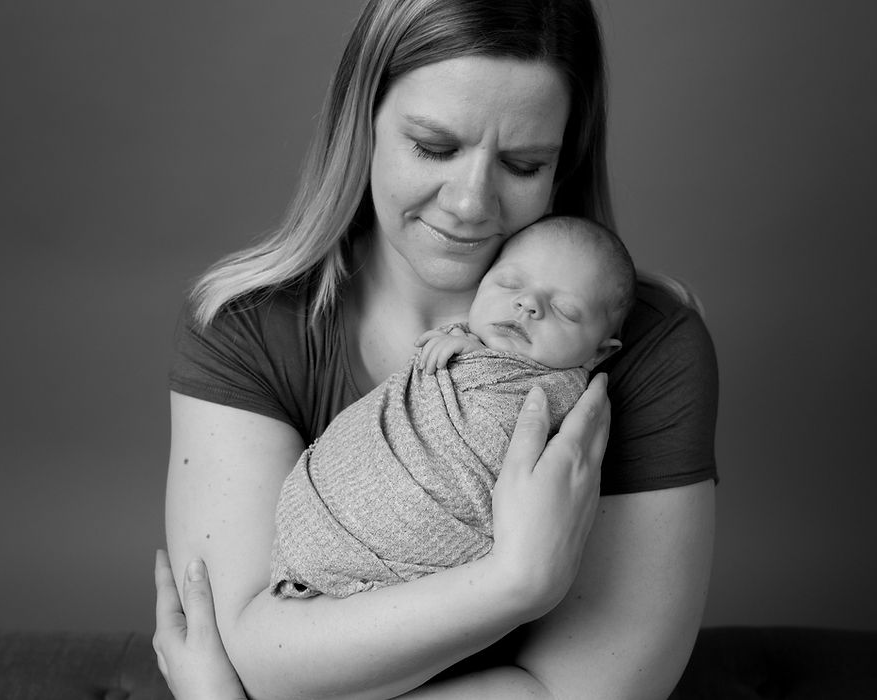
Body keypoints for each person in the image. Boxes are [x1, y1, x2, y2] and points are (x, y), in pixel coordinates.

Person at [155, 0, 718, 698]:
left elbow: (582, 695)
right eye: (434, 146)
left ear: (562, 160)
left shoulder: (647, 348)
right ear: (360, 126)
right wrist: (512, 582)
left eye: (522, 163)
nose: (471, 203)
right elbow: (263, 656)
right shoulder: (243, 328)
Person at [271, 216, 634, 599]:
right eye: (509, 283)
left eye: (565, 310)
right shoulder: (459, 340)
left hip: (427, 539)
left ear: (598, 352)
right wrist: (460, 349)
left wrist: (475, 362)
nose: (528, 303)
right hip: (329, 497)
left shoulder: (570, 394)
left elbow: (529, 439)